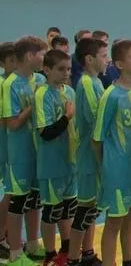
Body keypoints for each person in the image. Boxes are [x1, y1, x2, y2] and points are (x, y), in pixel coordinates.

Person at [93, 40, 131, 266]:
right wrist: (106, 169)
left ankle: (129, 261)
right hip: (117, 172)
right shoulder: (111, 96)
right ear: (119, 64)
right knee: (114, 222)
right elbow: (97, 139)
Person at [2, 36, 48, 265]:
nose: (45, 58)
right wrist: (34, 105)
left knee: (35, 199)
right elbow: (12, 123)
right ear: (30, 56)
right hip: (19, 153)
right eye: (42, 54)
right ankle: (14, 252)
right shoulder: (10, 84)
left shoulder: (40, 79)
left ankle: (32, 244)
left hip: (38, 151)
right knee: (17, 201)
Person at [68, 38, 109, 266]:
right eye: (104, 55)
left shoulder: (96, 82)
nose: (107, 60)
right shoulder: (85, 83)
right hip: (88, 156)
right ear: (90, 59)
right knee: (84, 209)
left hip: (95, 156)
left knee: (92, 208)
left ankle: (87, 253)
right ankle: (73, 258)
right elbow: (96, 119)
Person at [34, 50, 77, 266]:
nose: (66, 73)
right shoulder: (42, 94)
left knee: (69, 209)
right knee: (52, 211)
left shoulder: (70, 92)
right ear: (47, 69)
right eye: (61, 69)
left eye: (68, 69)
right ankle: (49, 255)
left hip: (70, 163)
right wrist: (67, 117)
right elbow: (46, 132)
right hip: (51, 163)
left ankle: (66, 251)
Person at [0, 43, 17, 262]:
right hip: (5, 147)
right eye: (12, 60)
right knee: (10, 193)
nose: (16, 63)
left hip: (13, 147)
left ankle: (5, 235)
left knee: (13, 194)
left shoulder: (16, 83)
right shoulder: (4, 85)